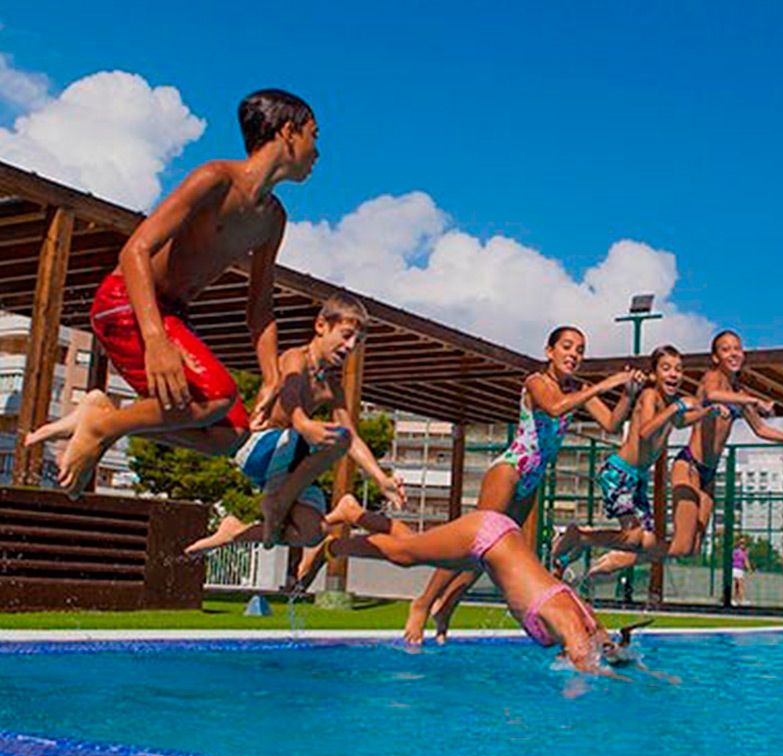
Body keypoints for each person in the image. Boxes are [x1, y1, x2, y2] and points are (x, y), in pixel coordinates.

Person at [23, 89, 319, 498]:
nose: (317, 151)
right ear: (287, 132)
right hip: (126, 303)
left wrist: (272, 378)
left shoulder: (273, 218)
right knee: (218, 395)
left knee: (231, 433)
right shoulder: (214, 179)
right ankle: (102, 425)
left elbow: (260, 308)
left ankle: (105, 420)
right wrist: (156, 339)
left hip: (172, 315)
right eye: (312, 135)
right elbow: (136, 250)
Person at [404, 326, 642, 645]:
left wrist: (627, 394)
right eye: (567, 347)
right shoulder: (536, 381)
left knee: (486, 554)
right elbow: (555, 407)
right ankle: (422, 603)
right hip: (511, 470)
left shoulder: (578, 388)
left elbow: (612, 424)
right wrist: (606, 383)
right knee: (472, 544)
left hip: (532, 480)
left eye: (580, 350)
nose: (574, 354)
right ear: (550, 352)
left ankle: (447, 606)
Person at [301, 495, 624, 675]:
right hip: (485, 537)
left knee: (412, 545)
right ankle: (330, 547)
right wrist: (619, 685)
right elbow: (585, 664)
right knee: (404, 554)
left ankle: (352, 512)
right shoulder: (569, 622)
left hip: (495, 543)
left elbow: (608, 651)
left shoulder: (588, 621)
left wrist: (639, 670)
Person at [182, 295, 405, 556]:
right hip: (261, 447)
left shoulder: (332, 387)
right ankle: (278, 504)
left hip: (287, 467)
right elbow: (290, 391)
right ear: (321, 325)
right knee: (337, 438)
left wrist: (380, 478)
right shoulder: (296, 357)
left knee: (313, 533)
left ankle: (235, 532)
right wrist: (302, 422)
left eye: (357, 341)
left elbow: (353, 438)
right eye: (346, 336)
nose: (350, 346)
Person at [585, 330, 783, 582]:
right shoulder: (711, 379)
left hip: (709, 474)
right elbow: (712, 396)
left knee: (690, 548)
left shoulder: (738, 392)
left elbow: (760, 429)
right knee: (681, 543)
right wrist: (755, 399)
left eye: (737, 348)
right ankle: (622, 558)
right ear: (715, 358)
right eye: (725, 349)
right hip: (689, 466)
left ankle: (631, 557)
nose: (733, 353)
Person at [549, 344, 723, 576]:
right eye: (666, 368)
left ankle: (572, 548)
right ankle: (577, 536)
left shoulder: (670, 405)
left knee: (648, 543)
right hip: (619, 472)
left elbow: (682, 421)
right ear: (654, 374)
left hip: (637, 478)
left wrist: (706, 413)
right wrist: (676, 408)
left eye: (678, 369)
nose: (674, 374)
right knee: (633, 538)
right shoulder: (649, 396)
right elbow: (645, 431)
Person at [731, 536, 752, 604]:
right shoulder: (740, 552)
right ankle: (740, 599)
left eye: (743, 543)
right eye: (741, 543)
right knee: (739, 585)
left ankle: (735, 599)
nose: (742, 545)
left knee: (737, 585)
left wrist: (749, 568)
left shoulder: (737, 551)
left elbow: (746, 561)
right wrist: (749, 569)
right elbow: (746, 561)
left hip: (737, 569)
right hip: (737, 569)